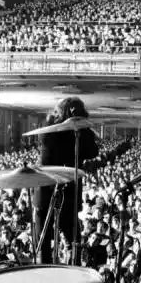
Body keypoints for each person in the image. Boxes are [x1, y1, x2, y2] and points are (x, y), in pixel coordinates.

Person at [34, 97, 99, 264]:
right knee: (61, 239)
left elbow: (93, 152)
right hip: (56, 187)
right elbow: (92, 152)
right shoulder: (58, 133)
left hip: (52, 188)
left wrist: (80, 130)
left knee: (58, 240)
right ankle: (64, 268)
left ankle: (52, 269)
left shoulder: (54, 131)